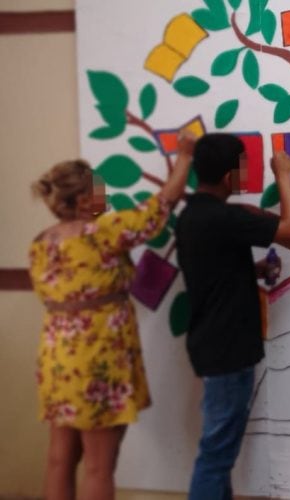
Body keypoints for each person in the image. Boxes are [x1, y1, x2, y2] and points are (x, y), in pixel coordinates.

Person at [29, 135, 194, 500]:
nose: (105, 195)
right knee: (100, 465)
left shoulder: (42, 242)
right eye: (99, 189)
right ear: (84, 198)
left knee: (59, 458)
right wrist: (184, 158)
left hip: (57, 359)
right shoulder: (103, 232)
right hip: (97, 359)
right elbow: (160, 206)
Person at [175, 133, 290, 500]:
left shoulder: (193, 216)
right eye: (244, 167)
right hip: (227, 347)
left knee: (220, 449)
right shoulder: (224, 216)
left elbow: (213, 269)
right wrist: (283, 175)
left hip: (212, 342)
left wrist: (256, 270)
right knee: (217, 452)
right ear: (231, 175)